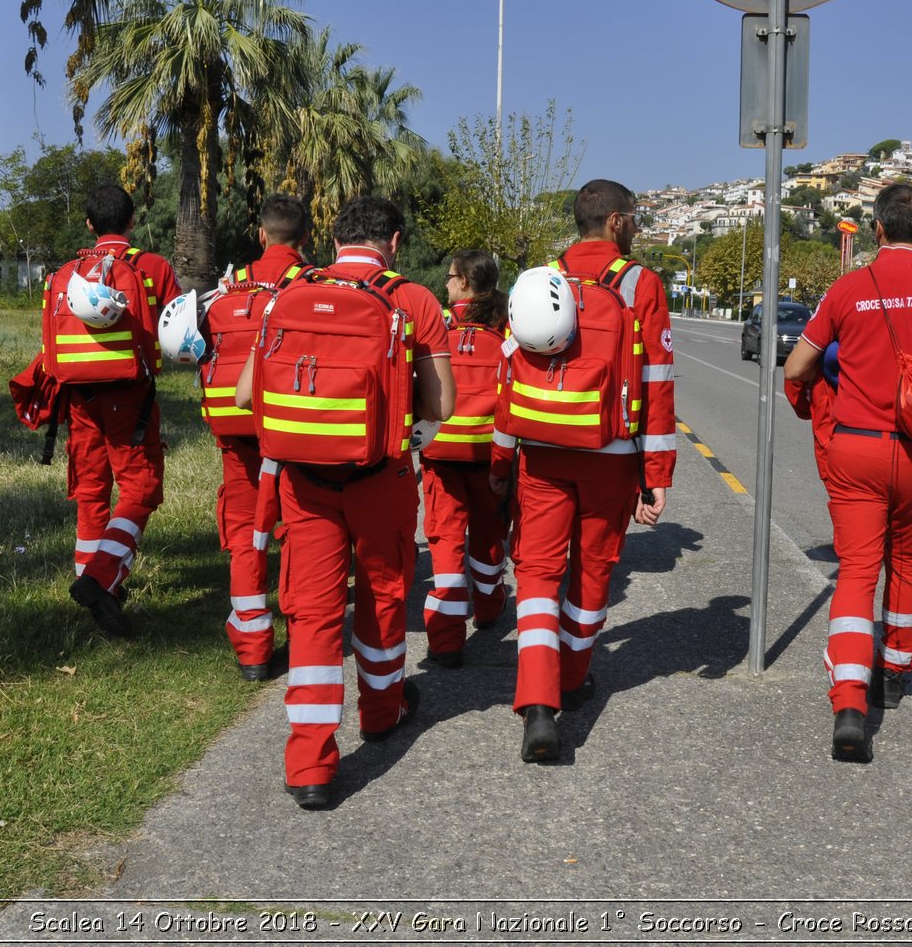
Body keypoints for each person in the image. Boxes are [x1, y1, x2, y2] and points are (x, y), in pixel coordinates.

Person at [257, 195, 454, 810]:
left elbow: (246, 393)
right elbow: (441, 405)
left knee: (313, 614)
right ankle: (380, 710)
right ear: (392, 241)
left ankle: (309, 762)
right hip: (381, 478)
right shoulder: (414, 300)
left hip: (303, 483)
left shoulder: (284, 295)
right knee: (382, 596)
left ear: (336, 240)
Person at [782, 183, 912, 763]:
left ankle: (849, 702)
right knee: (906, 561)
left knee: (856, 571)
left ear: (877, 230)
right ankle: (894, 673)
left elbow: (799, 364)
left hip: (855, 451)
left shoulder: (849, 287)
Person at [490, 179, 676, 762]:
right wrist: (656, 473)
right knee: (592, 575)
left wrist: (502, 459)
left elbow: (507, 373)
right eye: (637, 217)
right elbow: (657, 384)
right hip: (611, 458)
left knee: (538, 575)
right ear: (617, 222)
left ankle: (538, 706)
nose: (639, 226)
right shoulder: (640, 284)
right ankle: (572, 677)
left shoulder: (540, 280)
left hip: (542, 452)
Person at [64, 185, 182, 637]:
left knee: (91, 489)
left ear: (90, 225)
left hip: (78, 397)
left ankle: (93, 583)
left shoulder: (67, 272)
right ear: (132, 222)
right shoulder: (152, 267)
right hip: (131, 398)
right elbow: (176, 336)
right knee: (141, 488)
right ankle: (100, 578)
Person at [205, 195, 311, 681]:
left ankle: (252, 646)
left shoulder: (229, 288)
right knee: (298, 527)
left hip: (232, 424)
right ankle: (302, 630)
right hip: (289, 428)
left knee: (246, 531)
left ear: (262, 235)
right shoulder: (311, 286)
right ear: (305, 239)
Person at [420, 250, 510, 668]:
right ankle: (490, 609)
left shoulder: (437, 326)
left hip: (441, 457)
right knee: (489, 537)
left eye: (450, 275)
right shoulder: (509, 328)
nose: (445, 282)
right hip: (490, 456)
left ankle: (446, 640)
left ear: (463, 284)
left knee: (445, 543)